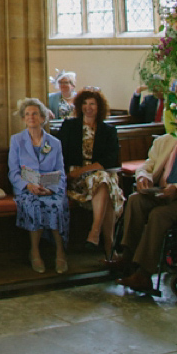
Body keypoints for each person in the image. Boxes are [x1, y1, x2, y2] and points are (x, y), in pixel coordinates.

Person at [113, 125, 177, 294]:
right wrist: (143, 177)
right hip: (162, 193)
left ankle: (144, 274)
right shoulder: (164, 141)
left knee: (158, 215)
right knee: (135, 200)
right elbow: (147, 166)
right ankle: (127, 257)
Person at [59, 88, 123, 258]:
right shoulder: (69, 126)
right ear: (80, 106)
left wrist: (84, 170)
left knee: (103, 181)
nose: (88, 107)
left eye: (92, 104)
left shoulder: (108, 131)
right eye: (85, 103)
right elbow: (60, 153)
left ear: (99, 107)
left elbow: (109, 160)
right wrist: (72, 173)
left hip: (98, 173)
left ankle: (94, 233)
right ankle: (109, 249)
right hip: (75, 178)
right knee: (107, 189)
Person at [9, 97, 69, 273]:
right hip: (27, 187)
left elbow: (61, 171)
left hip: (50, 186)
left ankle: (60, 252)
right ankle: (34, 251)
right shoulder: (17, 141)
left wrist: (50, 188)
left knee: (56, 204)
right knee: (33, 204)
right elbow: (13, 172)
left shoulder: (54, 143)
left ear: (43, 117)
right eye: (27, 114)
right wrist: (28, 186)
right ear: (23, 118)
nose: (31, 117)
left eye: (35, 114)